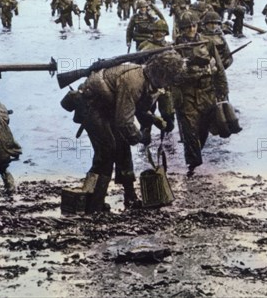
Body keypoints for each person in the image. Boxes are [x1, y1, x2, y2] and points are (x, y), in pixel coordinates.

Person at [74, 51, 185, 212]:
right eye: (169, 79)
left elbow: (137, 108)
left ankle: (130, 197)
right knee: (106, 152)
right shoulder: (133, 81)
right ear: (161, 74)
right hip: (91, 106)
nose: (169, 85)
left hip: (110, 107)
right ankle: (93, 201)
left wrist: (154, 119)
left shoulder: (148, 80)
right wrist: (138, 138)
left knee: (123, 150)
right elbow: (124, 121)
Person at [173, 13, 229, 177]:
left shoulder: (208, 43)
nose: (191, 29)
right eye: (186, 27)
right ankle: (193, 165)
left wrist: (223, 91)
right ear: (181, 29)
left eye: (193, 26)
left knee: (203, 128)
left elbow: (219, 69)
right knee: (189, 130)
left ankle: (196, 155)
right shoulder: (175, 47)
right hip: (187, 94)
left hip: (207, 92)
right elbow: (173, 74)